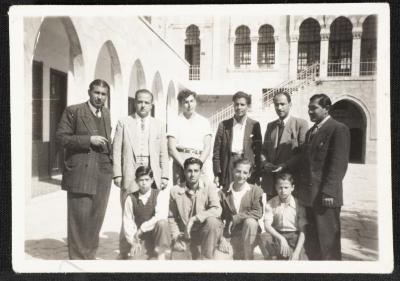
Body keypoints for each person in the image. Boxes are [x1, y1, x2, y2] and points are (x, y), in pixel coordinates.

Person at [56, 79, 113, 259]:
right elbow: (61, 138)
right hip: (81, 172)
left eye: (103, 94)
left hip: (102, 173)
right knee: (79, 219)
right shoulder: (74, 111)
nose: (100, 97)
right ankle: (78, 259)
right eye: (97, 93)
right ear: (89, 92)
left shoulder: (106, 113)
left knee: (96, 218)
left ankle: (89, 256)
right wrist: (88, 140)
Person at [113, 88, 169, 259]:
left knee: (154, 212)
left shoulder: (159, 124)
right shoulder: (124, 122)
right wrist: (117, 174)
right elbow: (116, 150)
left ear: (151, 105)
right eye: (140, 101)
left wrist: (165, 175)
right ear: (134, 102)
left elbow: (163, 152)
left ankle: (153, 249)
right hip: (131, 173)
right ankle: (125, 252)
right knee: (128, 213)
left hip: (152, 174)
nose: (143, 105)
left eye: (146, 102)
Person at [298, 94, 350, 260]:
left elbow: (338, 165)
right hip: (310, 198)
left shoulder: (338, 129)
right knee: (313, 243)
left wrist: (329, 192)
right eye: (309, 108)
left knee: (328, 246)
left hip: (325, 197)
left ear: (326, 109)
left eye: (314, 108)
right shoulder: (311, 132)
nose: (310, 111)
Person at [168, 157, 223, 260]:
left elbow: (217, 209)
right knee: (177, 263)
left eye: (196, 171)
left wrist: (194, 219)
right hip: (185, 234)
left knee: (213, 221)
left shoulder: (209, 187)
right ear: (184, 172)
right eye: (189, 171)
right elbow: (171, 217)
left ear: (201, 172)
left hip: (204, 233)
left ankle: (206, 260)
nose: (192, 174)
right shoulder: (175, 190)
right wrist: (175, 237)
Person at [261, 91, 308, 197]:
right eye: (276, 105)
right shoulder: (270, 126)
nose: (279, 108)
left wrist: (285, 165)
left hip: (290, 181)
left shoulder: (300, 124)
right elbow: (264, 150)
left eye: (282, 104)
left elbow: (302, 153)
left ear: (290, 104)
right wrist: (265, 163)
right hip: (272, 182)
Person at [213, 91, 262, 190]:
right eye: (236, 104)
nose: (239, 107)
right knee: (228, 193)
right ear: (233, 105)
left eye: (242, 104)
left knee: (246, 196)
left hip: (246, 164)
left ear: (247, 106)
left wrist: (257, 173)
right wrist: (217, 173)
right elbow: (216, 151)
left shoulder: (254, 125)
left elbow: (258, 151)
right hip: (229, 163)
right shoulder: (223, 125)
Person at [219, 158, 264, 260]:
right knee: (220, 259)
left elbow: (258, 212)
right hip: (231, 235)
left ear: (249, 175)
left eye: (245, 172)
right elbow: (218, 218)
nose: (241, 175)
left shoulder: (256, 190)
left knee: (251, 222)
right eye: (238, 171)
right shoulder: (222, 193)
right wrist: (221, 238)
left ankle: (248, 258)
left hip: (250, 236)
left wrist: (237, 218)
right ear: (233, 170)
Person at [122, 166, 171, 260]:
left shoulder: (159, 194)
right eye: (141, 180)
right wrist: (133, 242)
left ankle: (161, 255)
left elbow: (160, 216)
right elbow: (127, 221)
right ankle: (146, 252)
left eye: (147, 179)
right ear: (136, 181)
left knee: (162, 223)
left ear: (152, 180)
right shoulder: (130, 198)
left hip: (158, 237)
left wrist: (142, 229)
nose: (144, 183)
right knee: (134, 262)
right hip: (141, 239)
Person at [167, 89, 213, 185]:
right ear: (181, 104)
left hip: (199, 159)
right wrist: (185, 165)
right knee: (180, 194)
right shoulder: (174, 121)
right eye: (186, 102)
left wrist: (198, 165)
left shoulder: (204, 121)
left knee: (200, 194)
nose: (189, 105)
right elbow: (171, 148)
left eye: (191, 101)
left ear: (195, 102)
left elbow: (207, 147)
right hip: (180, 161)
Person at [263, 172, 307, 260]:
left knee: (299, 261)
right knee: (264, 238)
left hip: (295, 237)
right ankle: (274, 256)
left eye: (286, 187)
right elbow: (267, 226)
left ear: (292, 188)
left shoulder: (299, 204)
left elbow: (303, 231)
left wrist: (297, 252)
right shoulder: (270, 203)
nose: (283, 191)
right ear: (276, 188)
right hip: (277, 235)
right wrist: (281, 238)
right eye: (280, 188)